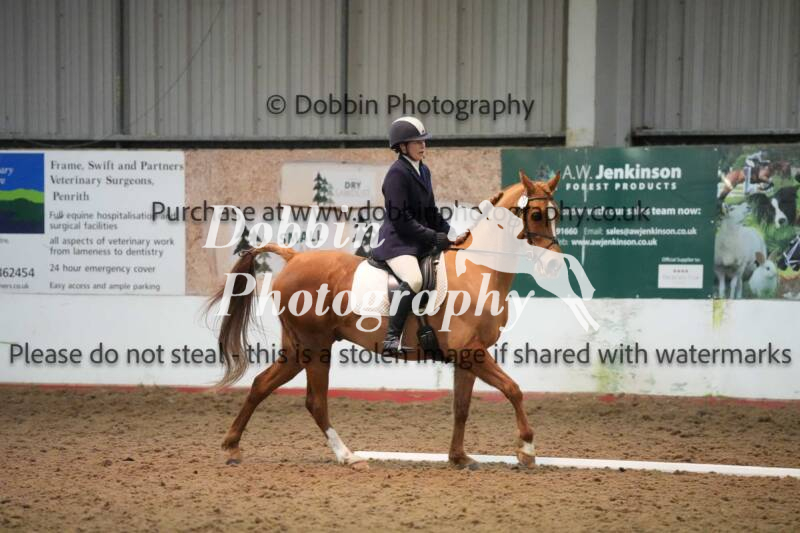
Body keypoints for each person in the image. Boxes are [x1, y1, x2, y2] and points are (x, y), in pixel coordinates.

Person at [372, 116, 467, 355]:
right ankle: (391, 338)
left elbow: (431, 212)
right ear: (402, 146)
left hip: (419, 242)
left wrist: (451, 234)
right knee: (414, 279)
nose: (423, 145)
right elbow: (400, 219)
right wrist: (432, 237)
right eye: (417, 142)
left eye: (424, 141)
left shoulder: (423, 170)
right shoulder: (397, 174)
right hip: (398, 243)